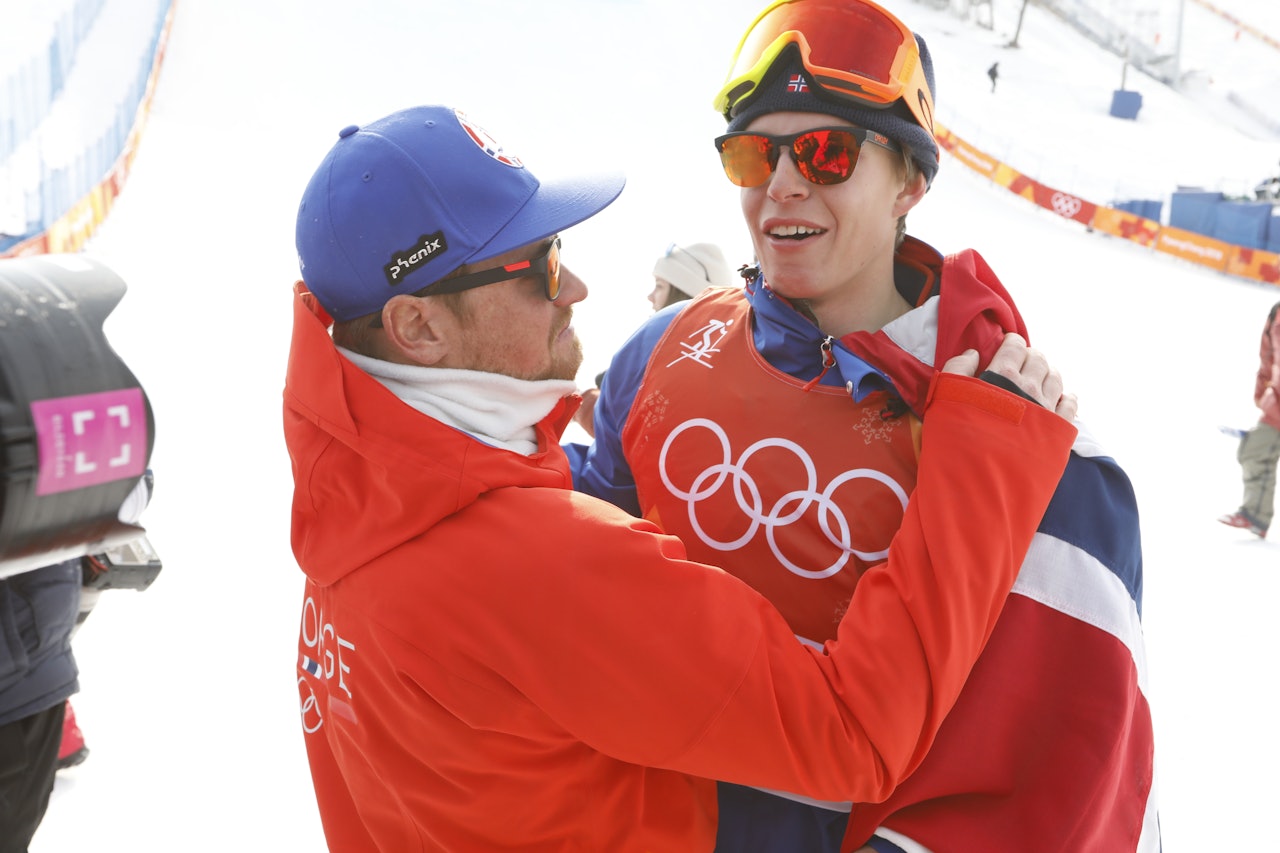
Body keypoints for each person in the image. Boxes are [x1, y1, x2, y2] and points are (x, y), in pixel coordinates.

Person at [285, 103, 1079, 852]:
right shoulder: (541, 566)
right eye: (539, 265)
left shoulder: (351, 513)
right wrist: (986, 463)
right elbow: (853, 735)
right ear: (418, 327)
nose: (576, 288)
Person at [572, 1, 1159, 850]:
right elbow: (570, 570)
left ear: (912, 184)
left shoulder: (1024, 443)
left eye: (825, 151)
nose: (780, 184)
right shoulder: (666, 348)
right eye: (753, 153)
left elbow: (1069, 778)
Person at [574, 241, 739, 437]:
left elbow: (625, 429)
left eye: (659, 286)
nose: (650, 296)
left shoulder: (667, 358)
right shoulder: (728, 358)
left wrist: (578, 402)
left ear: (682, 294)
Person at [1219, 301, 1280, 537]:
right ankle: (1255, 514)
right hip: (1277, 402)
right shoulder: (1276, 313)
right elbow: (1268, 355)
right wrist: (1261, 390)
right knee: (1255, 450)